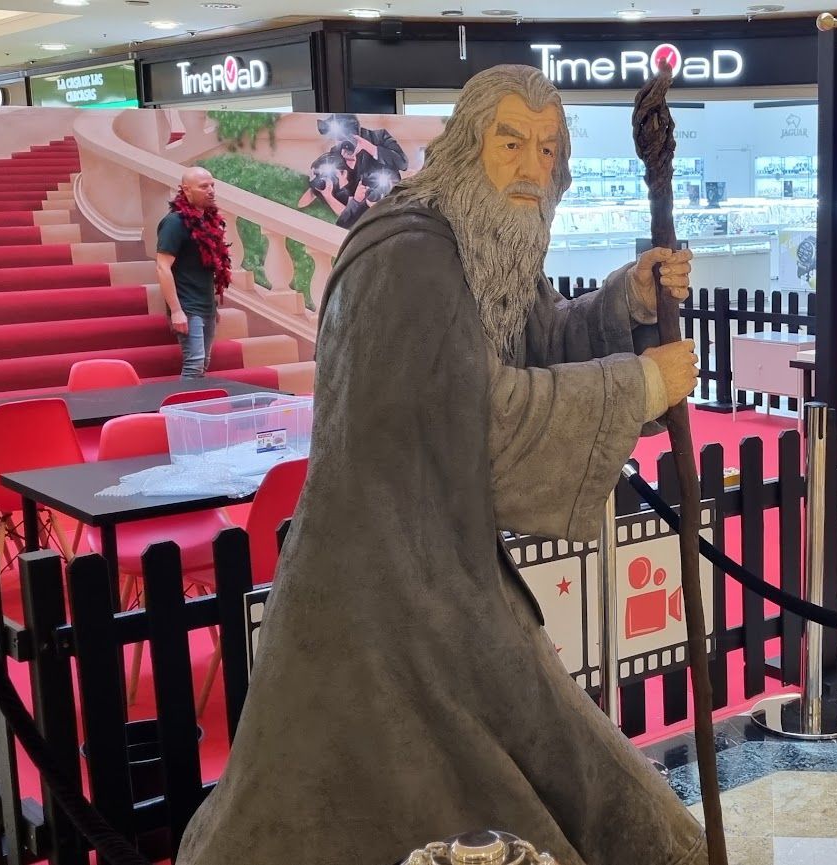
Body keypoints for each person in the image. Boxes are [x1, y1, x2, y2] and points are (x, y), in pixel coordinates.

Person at [176, 65, 705, 865]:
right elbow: (481, 415)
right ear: (468, 146)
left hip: (444, 577)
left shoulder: (475, 238)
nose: (534, 167)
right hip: (383, 604)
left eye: (548, 149)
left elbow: (536, 342)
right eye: (513, 142)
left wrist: (624, 302)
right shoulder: (413, 257)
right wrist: (642, 383)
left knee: (566, 790)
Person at [156, 167, 232, 379]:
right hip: (187, 306)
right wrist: (176, 310)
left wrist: (213, 304)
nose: (211, 191)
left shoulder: (208, 221)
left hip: (206, 305)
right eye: (204, 186)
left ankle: (195, 407)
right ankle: (181, 411)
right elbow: (162, 267)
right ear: (186, 190)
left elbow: (209, 266)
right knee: (194, 364)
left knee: (203, 363)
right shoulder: (174, 223)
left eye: (212, 185)